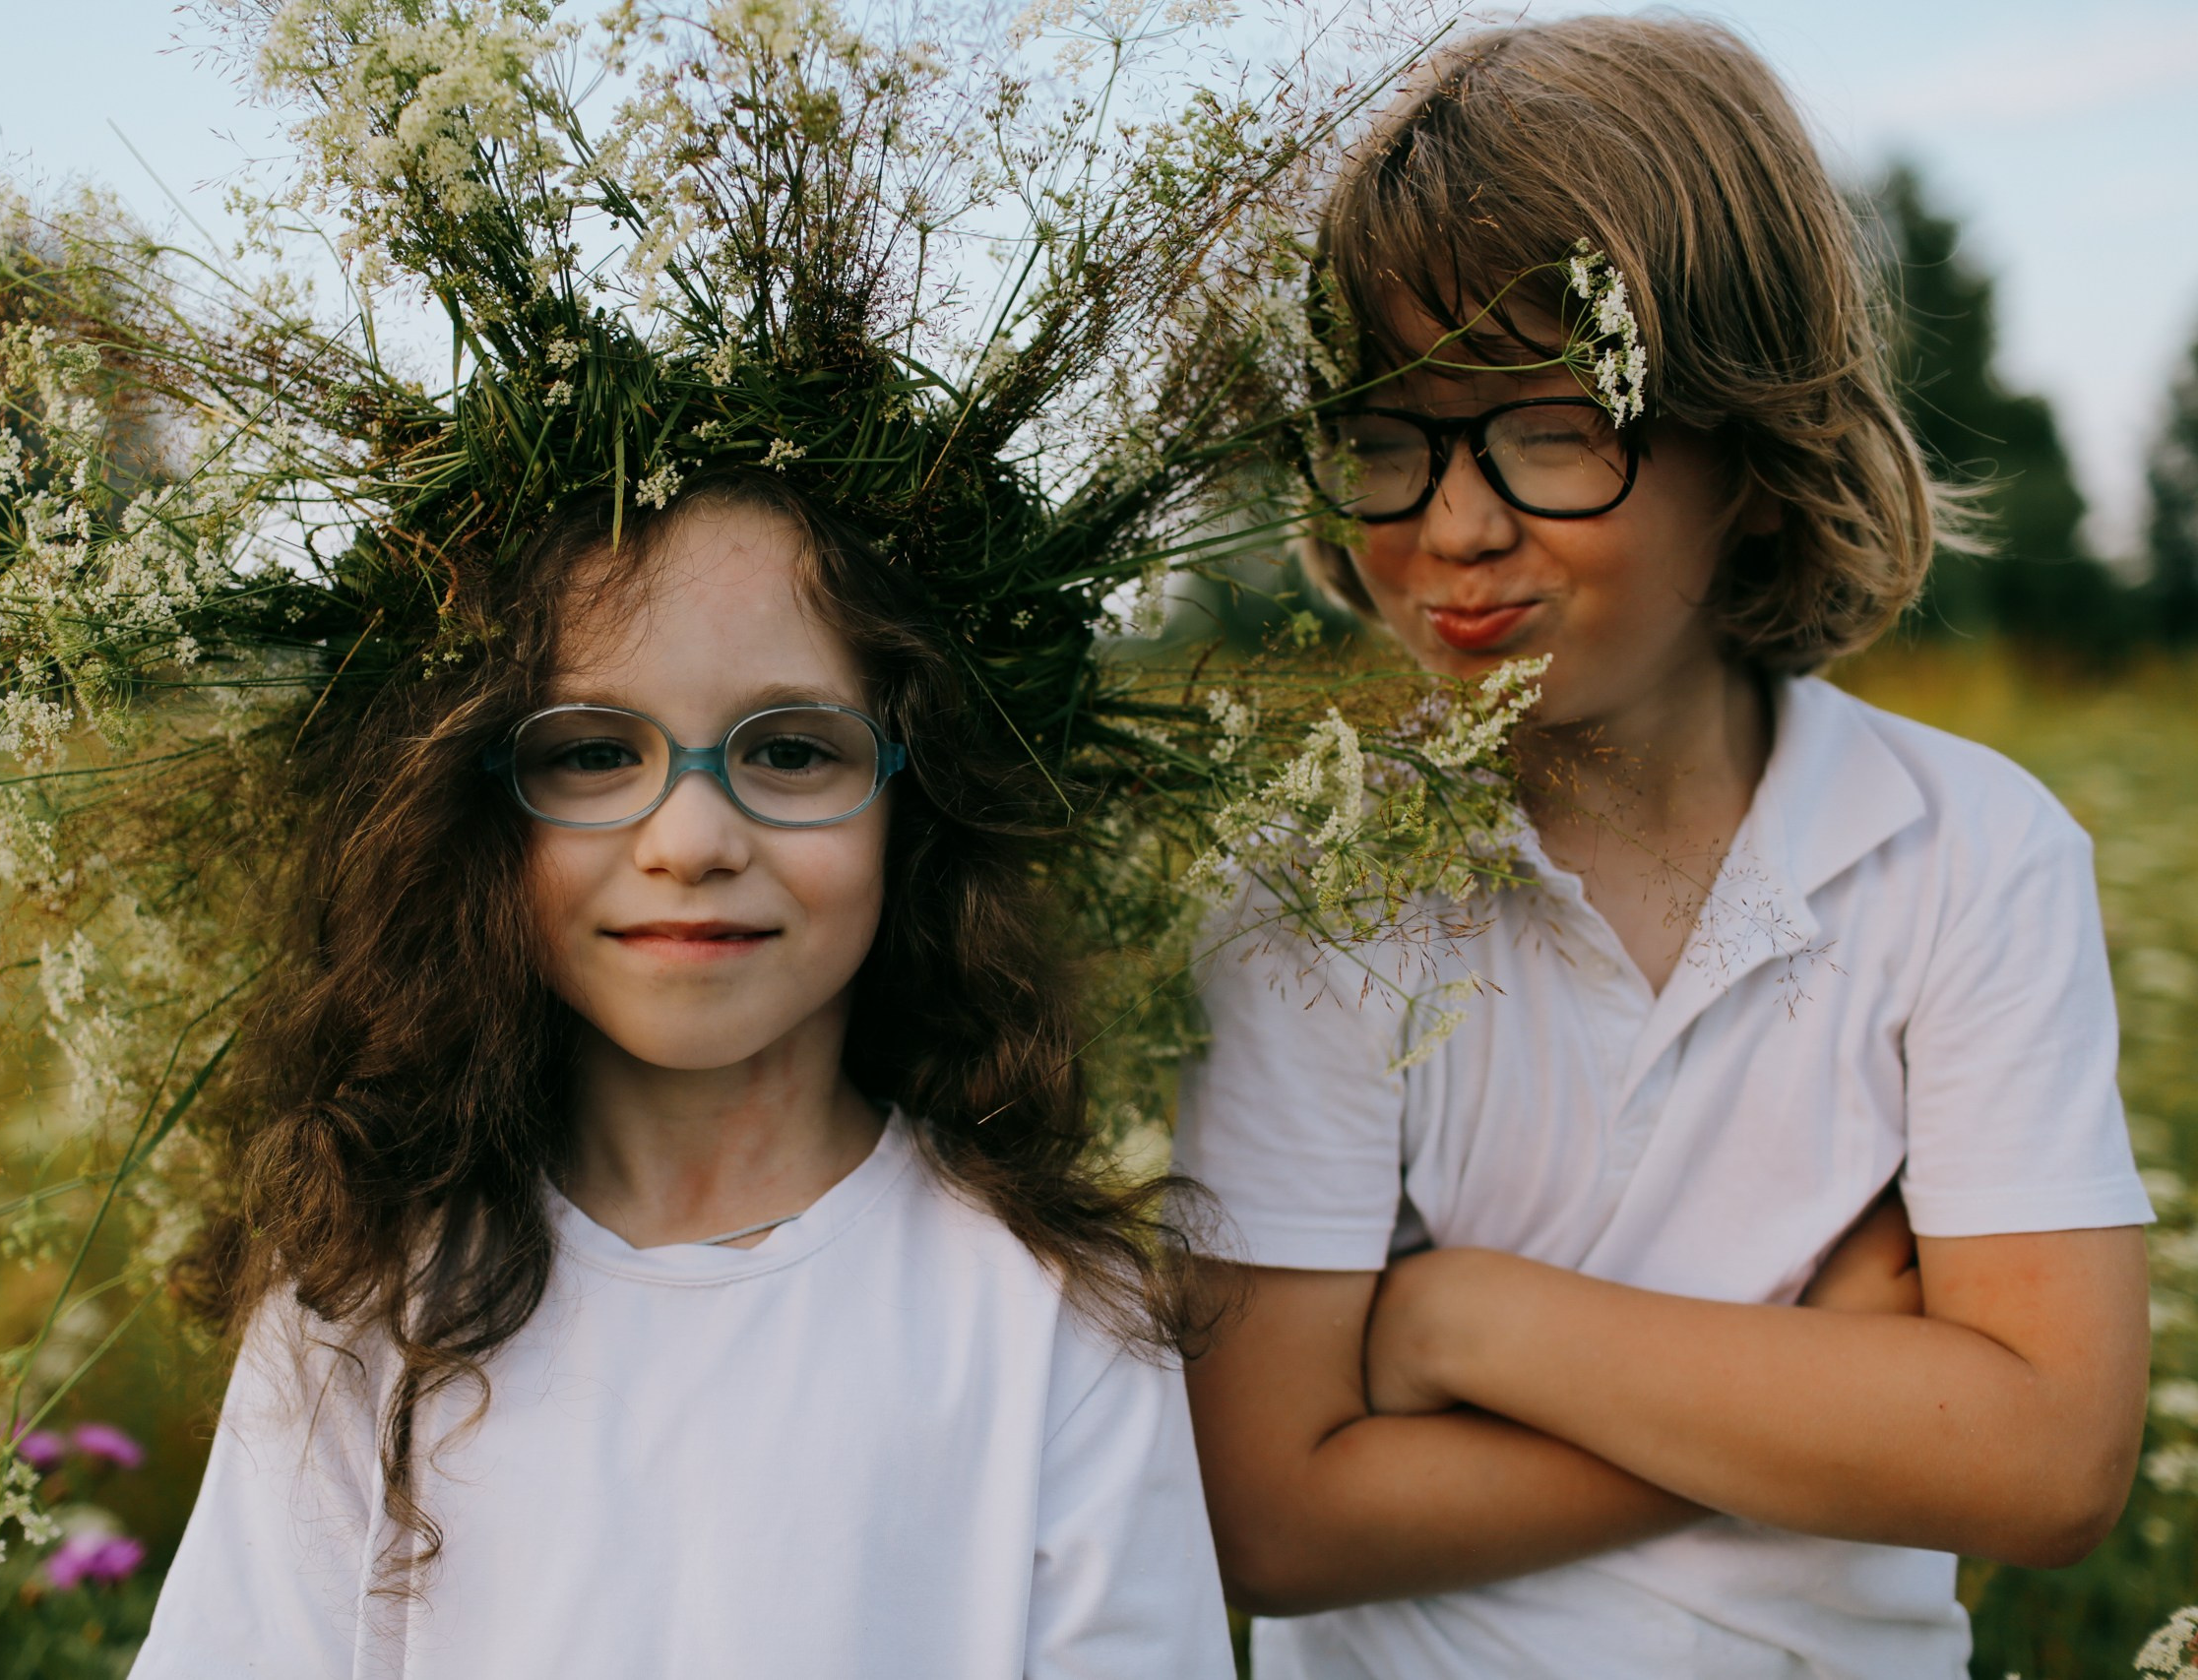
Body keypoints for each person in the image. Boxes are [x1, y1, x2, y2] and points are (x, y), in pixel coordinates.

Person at [1175, 15, 2154, 1678]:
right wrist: (1834, 1388)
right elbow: (1272, 1513)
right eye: (1390, 439)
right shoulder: (1307, 896)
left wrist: (1470, 1321)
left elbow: (2050, 1462)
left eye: (1555, 429)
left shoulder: (1972, 852)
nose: (1455, 524)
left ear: (1755, 448)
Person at [130, 475, 1233, 1678]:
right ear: (478, 811)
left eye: (793, 750)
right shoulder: (359, 1304)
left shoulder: (1052, 1320)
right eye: (596, 753)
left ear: (911, 801)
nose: (693, 841)